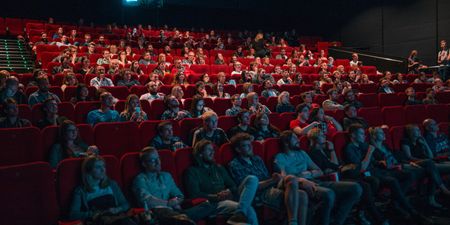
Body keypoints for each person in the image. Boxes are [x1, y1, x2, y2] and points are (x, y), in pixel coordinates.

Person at [345, 125, 431, 224]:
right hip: (366, 175)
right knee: (392, 181)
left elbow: (373, 161)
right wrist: (369, 152)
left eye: (364, 134)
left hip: (377, 171)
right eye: (361, 134)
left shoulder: (363, 145)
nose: (364, 136)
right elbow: (362, 168)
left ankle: (395, 203)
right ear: (353, 135)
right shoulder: (349, 148)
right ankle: (411, 212)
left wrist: (381, 162)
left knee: (408, 175)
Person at [274, 130, 362, 225]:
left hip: (316, 181)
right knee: (329, 194)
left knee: (355, 188)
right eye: (295, 138)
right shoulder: (280, 157)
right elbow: (284, 178)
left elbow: (319, 171)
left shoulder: (302, 153)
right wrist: (301, 179)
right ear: (286, 142)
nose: (298, 140)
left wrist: (308, 174)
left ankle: (336, 222)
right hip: (300, 185)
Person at [306, 128, 388, 225]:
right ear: (314, 138)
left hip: (339, 174)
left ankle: (361, 213)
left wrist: (332, 151)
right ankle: (374, 217)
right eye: (321, 135)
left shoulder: (324, 150)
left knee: (370, 181)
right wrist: (337, 168)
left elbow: (335, 165)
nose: (325, 137)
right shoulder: (312, 152)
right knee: (364, 186)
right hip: (331, 179)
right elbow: (324, 170)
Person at [228, 133, 308, 225]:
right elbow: (249, 188)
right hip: (258, 194)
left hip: (270, 188)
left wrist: (275, 178)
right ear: (238, 149)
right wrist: (271, 181)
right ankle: (293, 222)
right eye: (246, 145)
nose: (250, 147)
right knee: (299, 194)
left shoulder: (257, 159)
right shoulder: (235, 164)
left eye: (250, 144)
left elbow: (267, 178)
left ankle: (294, 222)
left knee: (300, 191)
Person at [370, 126, 450, 209]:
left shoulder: (385, 146)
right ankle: (437, 194)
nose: (383, 134)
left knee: (431, 170)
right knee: (430, 167)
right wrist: (405, 163)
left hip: (402, 165)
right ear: (374, 136)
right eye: (380, 132)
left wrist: (408, 163)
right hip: (393, 169)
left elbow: (397, 159)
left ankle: (431, 199)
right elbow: (379, 163)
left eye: (383, 132)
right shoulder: (372, 149)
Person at [132, 147, 213, 225]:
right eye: (153, 160)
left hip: (175, 211)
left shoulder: (166, 176)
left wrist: (176, 201)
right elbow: (146, 200)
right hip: (157, 213)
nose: (158, 162)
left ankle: (183, 219)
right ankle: (183, 220)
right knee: (167, 214)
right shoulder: (140, 179)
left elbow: (179, 196)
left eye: (158, 158)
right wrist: (167, 203)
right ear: (144, 164)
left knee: (206, 206)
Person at [184, 139, 257, 225]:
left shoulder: (219, 168)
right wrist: (217, 196)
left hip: (230, 196)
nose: (212, 153)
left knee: (252, 179)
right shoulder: (192, 171)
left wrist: (228, 191)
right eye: (209, 150)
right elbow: (194, 194)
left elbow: (233, 185)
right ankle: (239, 213)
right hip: (214, 203)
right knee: (249, 210)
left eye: (213, 150)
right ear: (200, 154)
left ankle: (239, 213)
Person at [68, 156, 138, 224]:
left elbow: (125, 204)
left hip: (117, 218)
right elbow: (73, 214)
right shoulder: (81, 191)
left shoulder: (112, 184)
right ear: (89, 170)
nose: (103, 170)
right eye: (98, 167)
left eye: (104, 166)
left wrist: (117, 209)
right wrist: (94, 214)